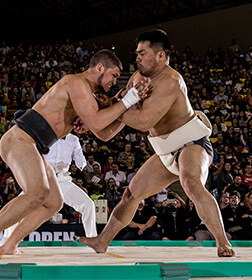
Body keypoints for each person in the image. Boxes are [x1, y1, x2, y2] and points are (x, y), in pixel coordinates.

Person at [0, 49, 150, 259]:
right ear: (100, 68)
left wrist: (126, 106)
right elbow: (98, 121)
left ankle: (9, 245)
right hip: (20, 139)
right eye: (114, 75)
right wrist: (125, 102)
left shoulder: (87, 96)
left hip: (34, 145)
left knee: (54, 202)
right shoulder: (75, 83)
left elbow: (105, 134)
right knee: (37, 193)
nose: (115, 81)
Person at [76, 30, 235, 257]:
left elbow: (143, 121)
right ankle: (102, 241)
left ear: (161, 56)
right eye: (137, 53)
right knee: (131, 195)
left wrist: (112, 109)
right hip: (165, 149)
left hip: (191, 142)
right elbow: (119, 105)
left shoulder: (171, 81)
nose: (137, 58)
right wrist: (95, 116)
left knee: (191, 183)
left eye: (143, 53)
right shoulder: (137, 78)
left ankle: (222, 242)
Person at [0, 133, 97, 248]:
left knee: (88, 204)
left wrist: (81, 164)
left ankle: (92, 239)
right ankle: (6, 239)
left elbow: (79, 156)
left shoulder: (73, 139)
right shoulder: (44, 135)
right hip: (41, 179)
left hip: (62, 180)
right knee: (19, 207)